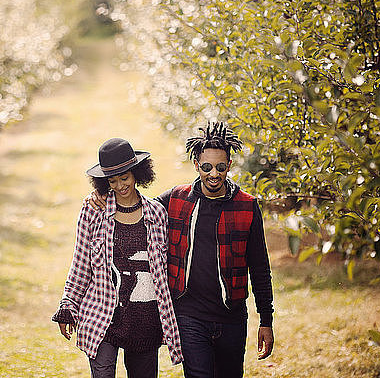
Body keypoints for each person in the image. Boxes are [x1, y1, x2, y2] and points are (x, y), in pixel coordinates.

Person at [88, 122, 274, 378]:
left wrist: (266, 319)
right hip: (189, 316)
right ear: (197, 165)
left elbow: (260, 268)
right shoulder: (177, 198)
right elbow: (134, 206)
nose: (214, 174)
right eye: (206, 167)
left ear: (229, 165)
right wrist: (99, 196)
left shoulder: (247, 207)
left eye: (221, 167)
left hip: (232, 318)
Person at [52, 138, 183, 378]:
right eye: (112, 181)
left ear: (137, 174)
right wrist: (68, 304)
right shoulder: (94, 211)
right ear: (104, 182)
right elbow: (80, 263)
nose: (120, 185)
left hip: (144, 319)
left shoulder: (156, 213)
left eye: (125, 178)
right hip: (102, 315)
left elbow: (165, 269)